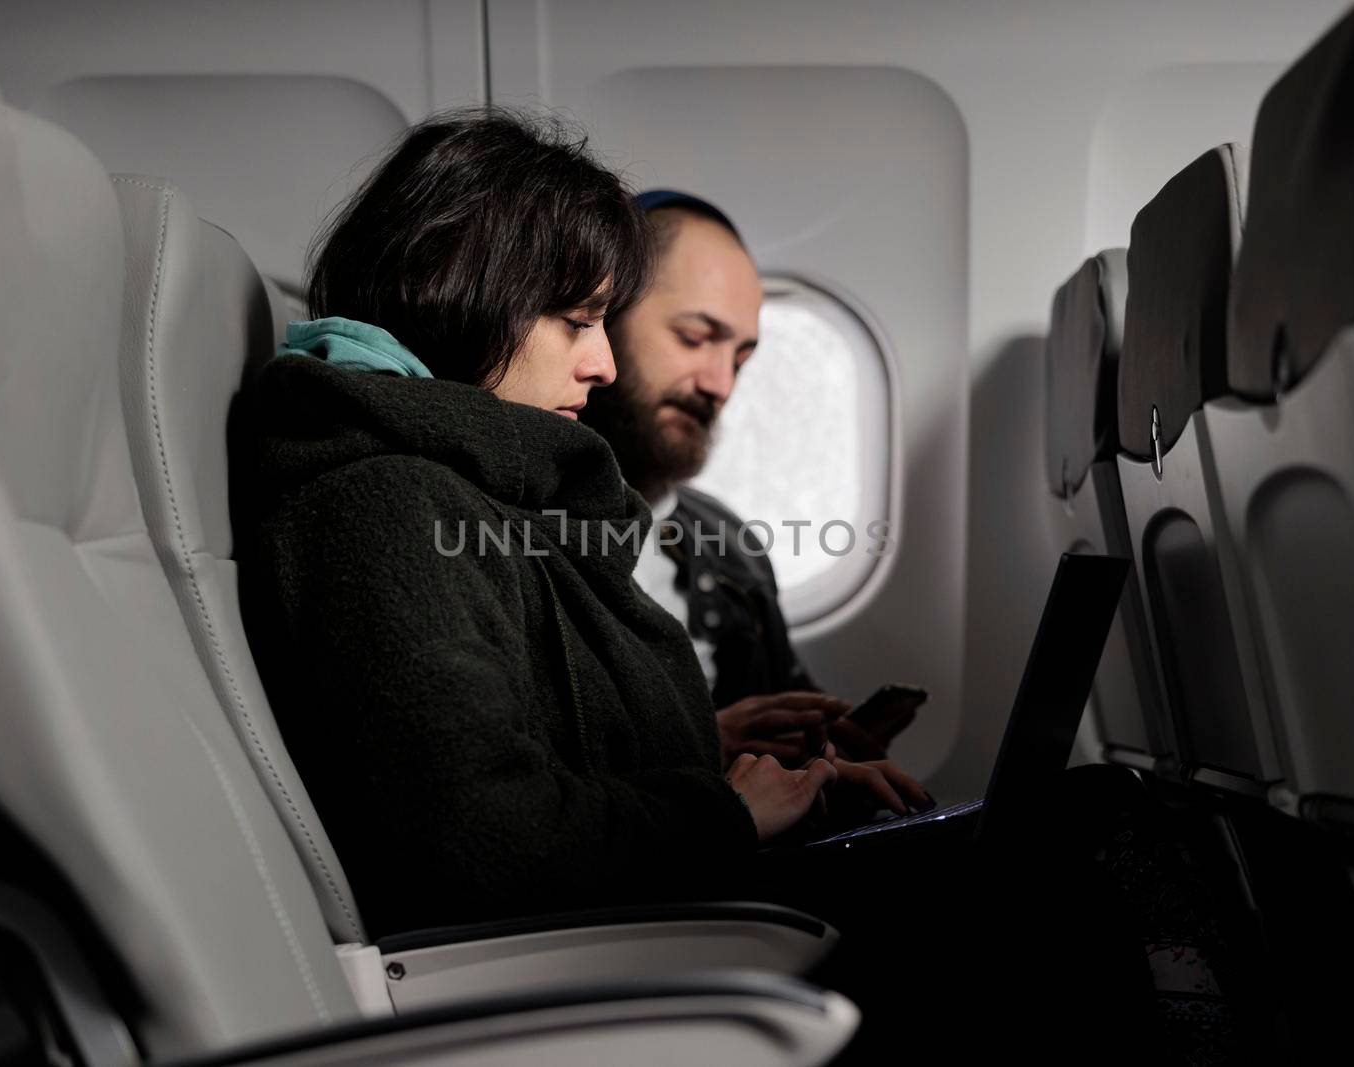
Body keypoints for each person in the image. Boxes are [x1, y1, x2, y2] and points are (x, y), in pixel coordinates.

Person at [231, 110, 917, 939]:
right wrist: (725, 812)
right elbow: (484, 841)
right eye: (578, 321)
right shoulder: (386, 506)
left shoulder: (490, 496)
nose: (604, 364)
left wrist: (789, 791)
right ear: (468, 295)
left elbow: (562, 756)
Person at [580, 191, 917, 767]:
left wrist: (824, 756)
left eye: (740, 358)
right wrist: (707, 745)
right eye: (694, 337)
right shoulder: (508, 528)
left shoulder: (728, 542)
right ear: (601, 319)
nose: (721, 385)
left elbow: (782, 709)